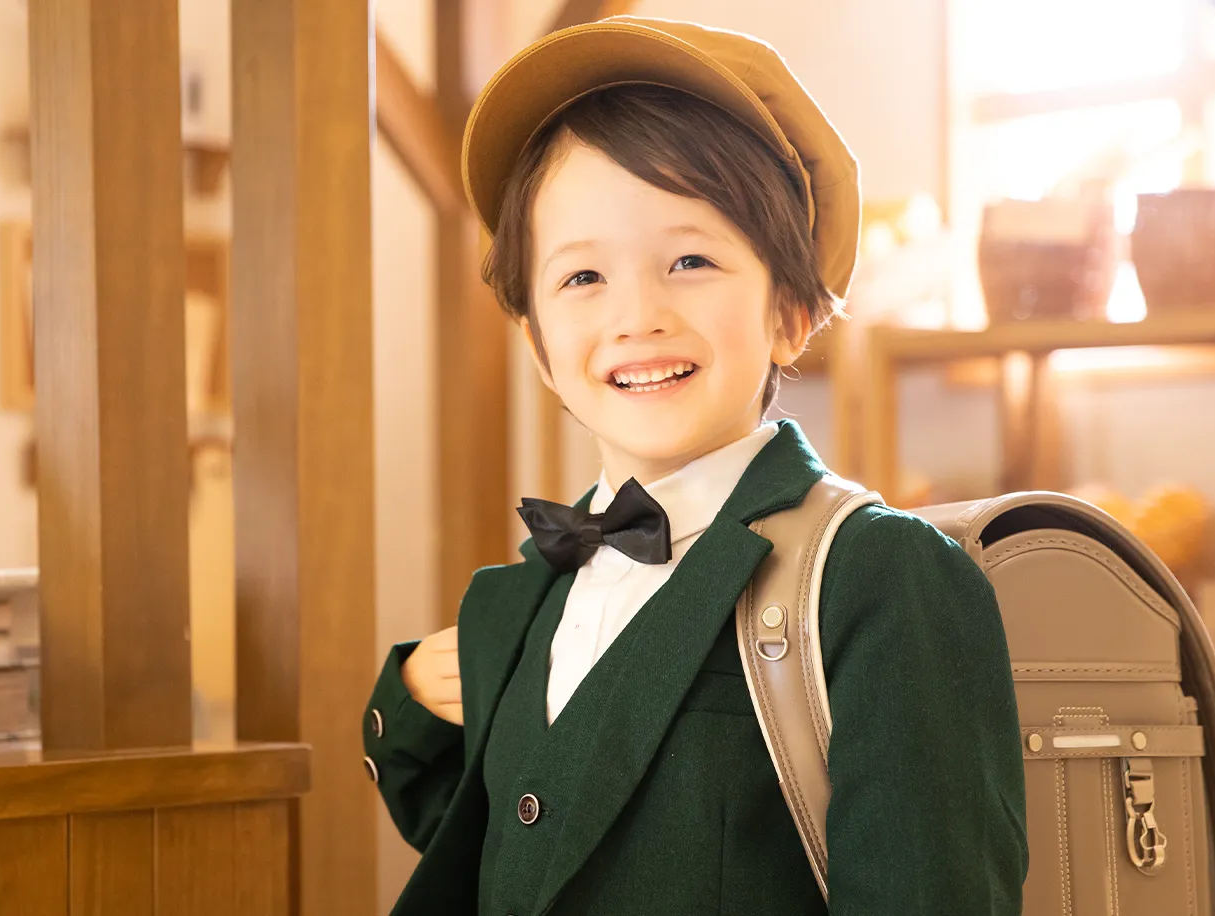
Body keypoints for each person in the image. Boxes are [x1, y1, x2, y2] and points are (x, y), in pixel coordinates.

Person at [361, 16, 1027, 915]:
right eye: (582, 279)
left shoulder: (882, 577)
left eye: (690, 259)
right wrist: (406, 696)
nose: (638, 315)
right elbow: (516, 847)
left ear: (791, 312)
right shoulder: (525, 597)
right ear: (538, 343)